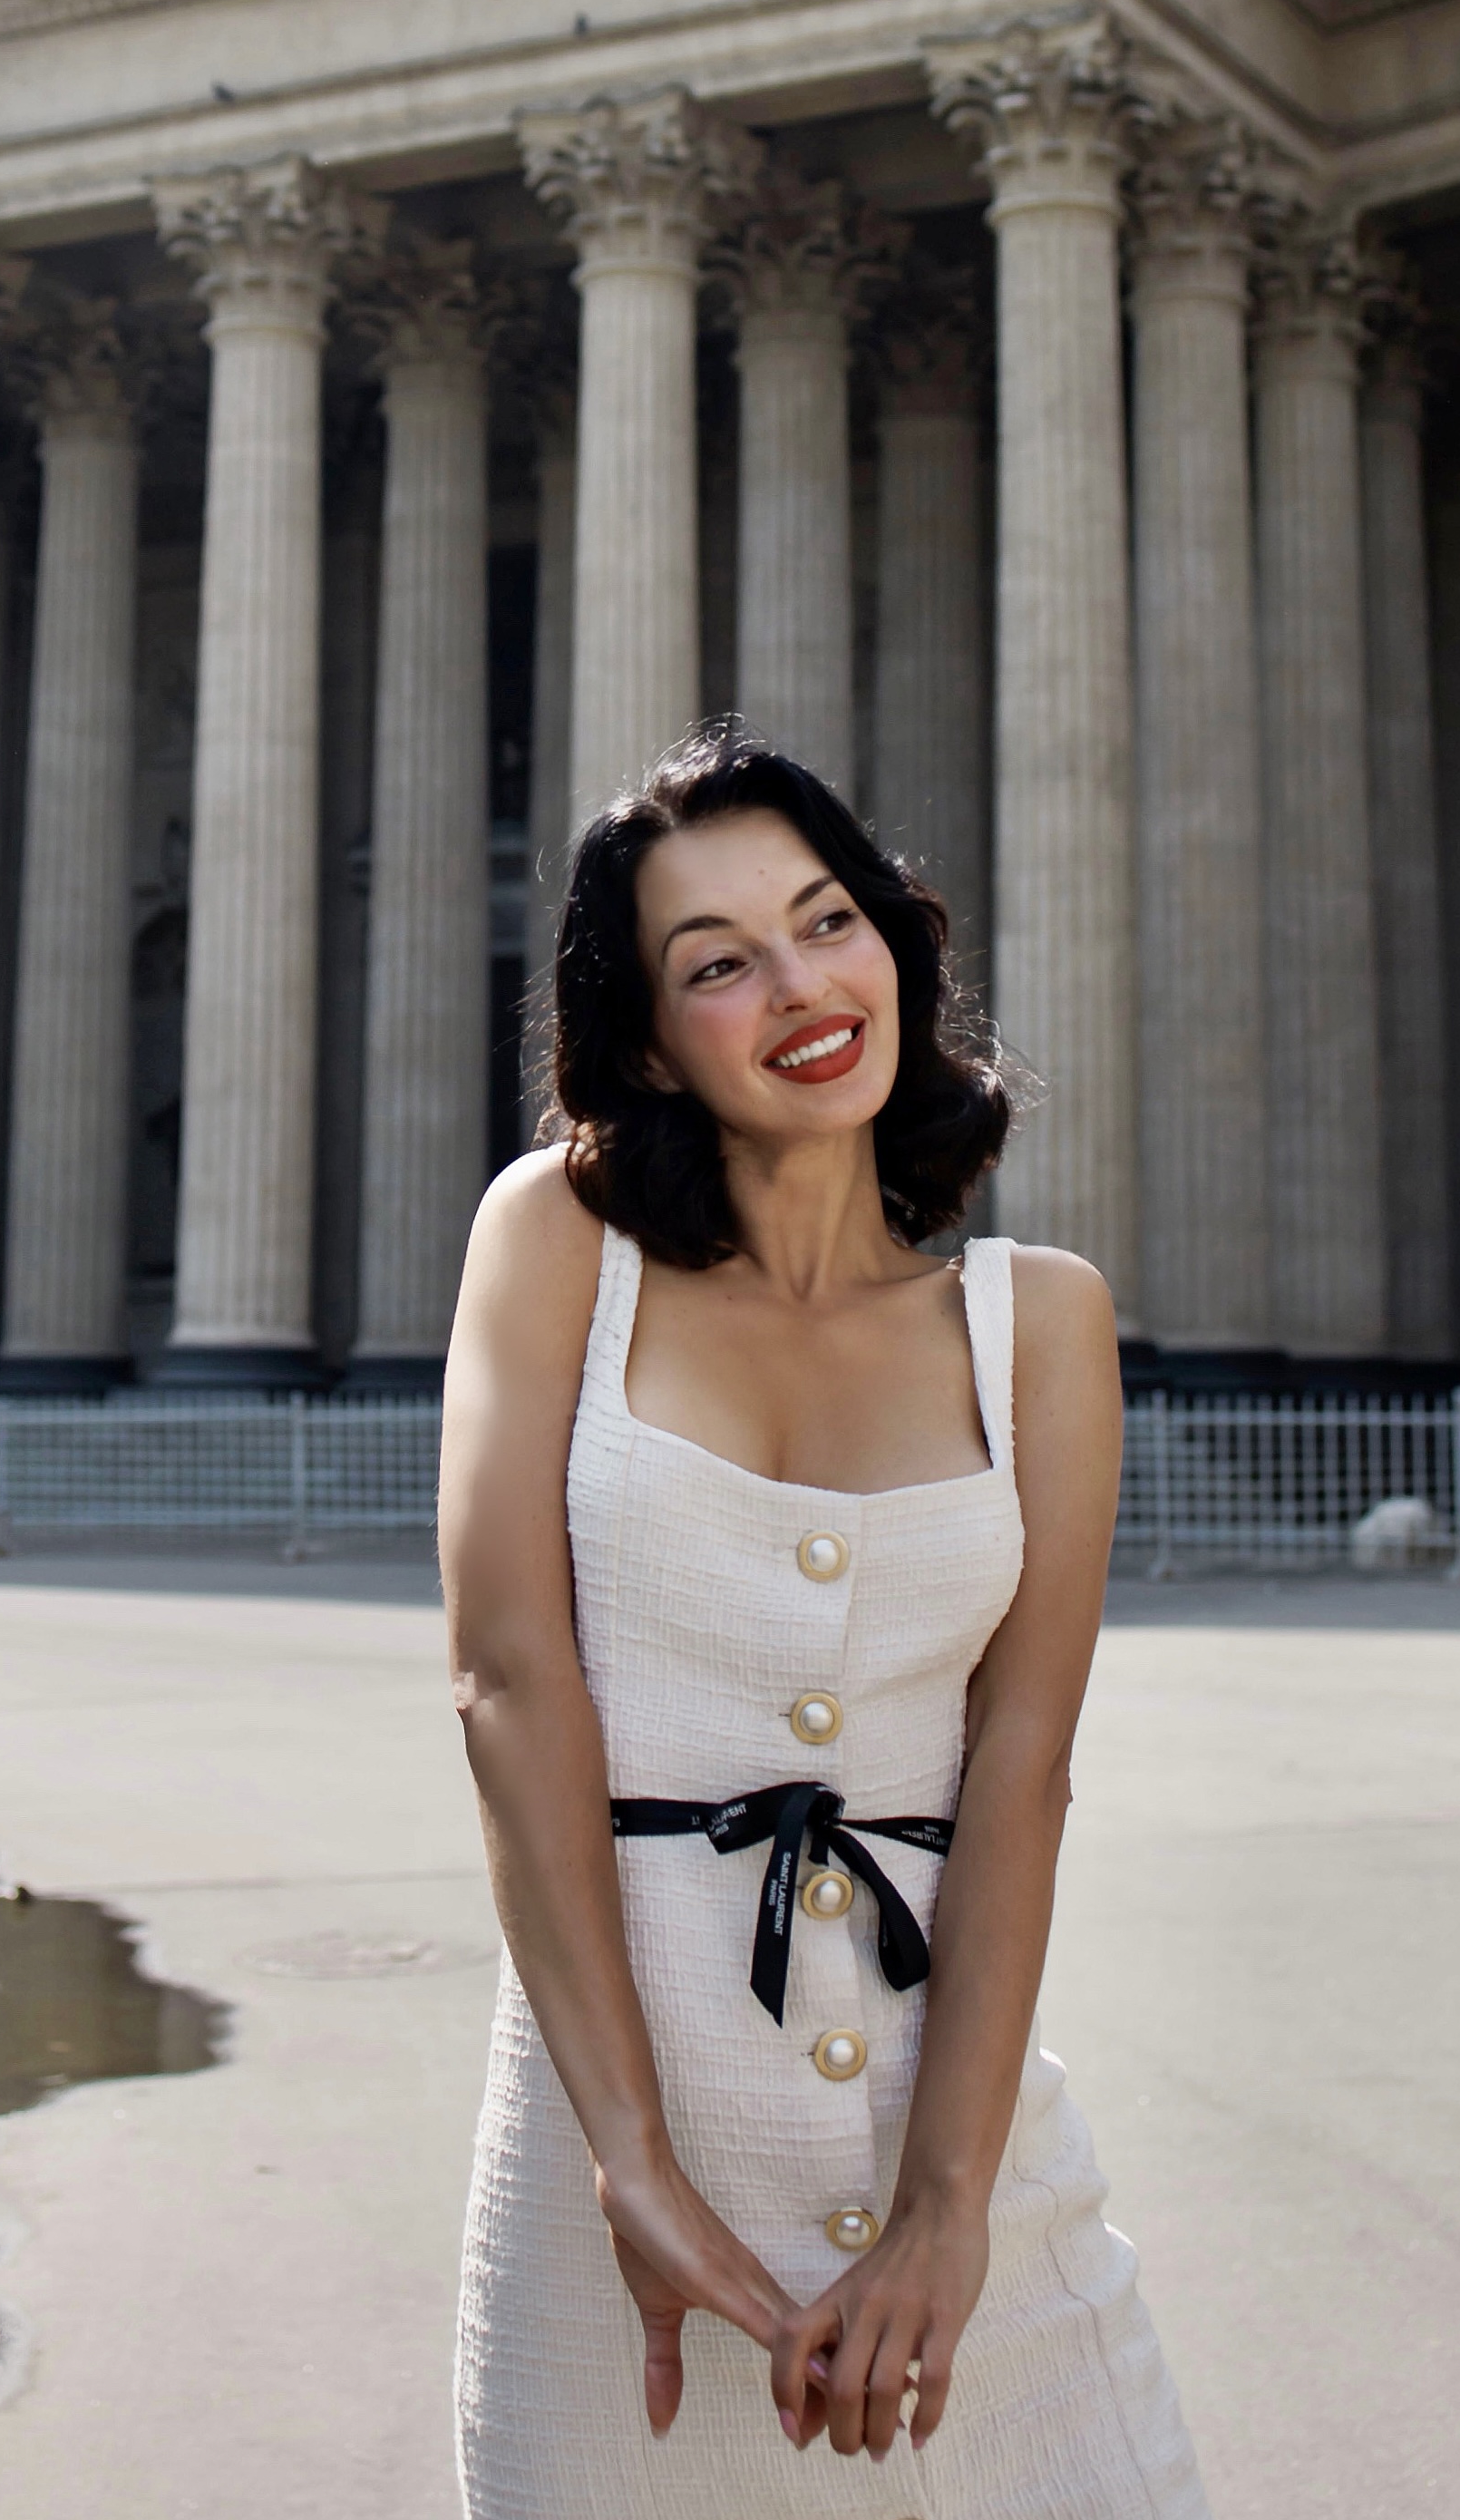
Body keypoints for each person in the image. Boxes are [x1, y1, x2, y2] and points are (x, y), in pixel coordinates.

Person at [443, 721, 1210, 2515]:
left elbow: (1021, 1768)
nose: (799, 985)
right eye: (718, 961)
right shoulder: (559, 1243)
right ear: (649, 1039)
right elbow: (507, 1684)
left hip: (958, 2172)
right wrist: (632, 2162)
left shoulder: (1041, 1324)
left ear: (892, 941)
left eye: (824, 920)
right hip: (612, 2184)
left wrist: (949, 2209)